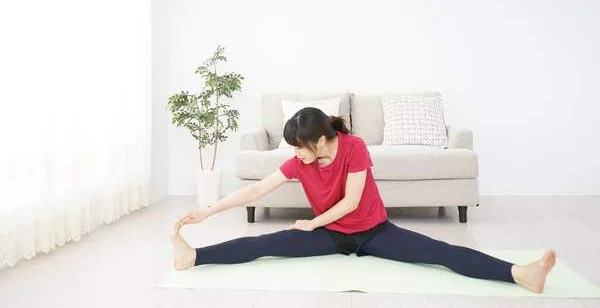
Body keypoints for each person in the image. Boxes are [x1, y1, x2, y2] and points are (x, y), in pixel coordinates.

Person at [170, 107, 557, 294]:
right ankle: (193, 257)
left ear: (321, 139)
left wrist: (310, 223)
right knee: (263, 244)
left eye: (299, 146)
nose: (295, 153)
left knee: (440, 252)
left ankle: (521, 273)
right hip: (331, 235)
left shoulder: (353, 148)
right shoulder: (301, 161)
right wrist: (208, 211)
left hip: (374, 232)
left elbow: (352, 203)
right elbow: (255, 189)